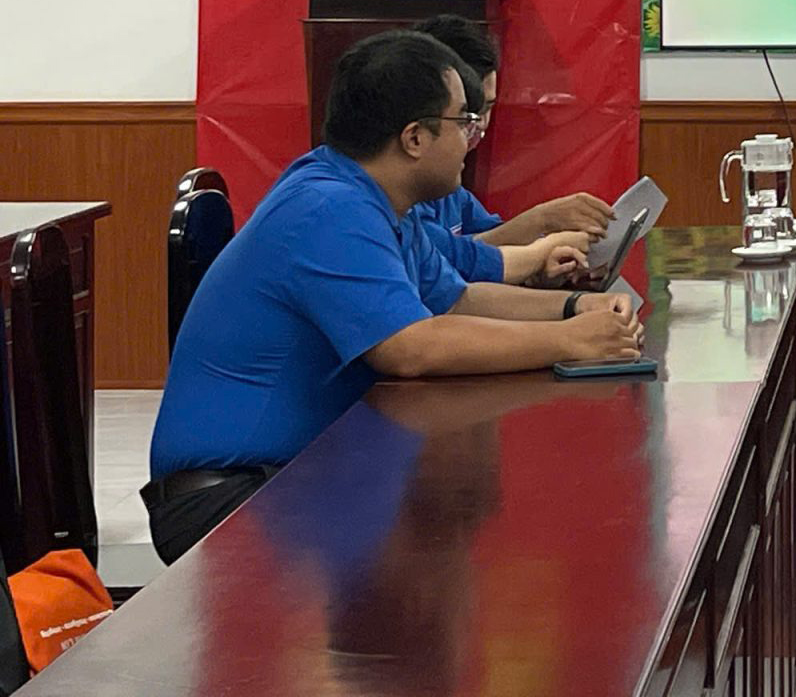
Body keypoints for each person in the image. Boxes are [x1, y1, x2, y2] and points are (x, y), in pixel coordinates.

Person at [145, 30, 644, 565]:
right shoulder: (329, 208)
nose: (472, 137)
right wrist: (569, 341)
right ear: (414, 138)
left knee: (457, 524)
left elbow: (456, 300)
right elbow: (409, 348)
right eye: (463, 120)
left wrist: (576, 308)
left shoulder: (377, 200)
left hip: (299, 472)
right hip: (232, 497)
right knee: (462, 546)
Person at [409, 14, 613, 285]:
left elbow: (491, 245)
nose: (479, 124)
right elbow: (455, 261)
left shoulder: (451, 184)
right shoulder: (397, 199)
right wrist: (542, 226)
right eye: (466, 115)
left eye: (488, 108)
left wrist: (550, 263)